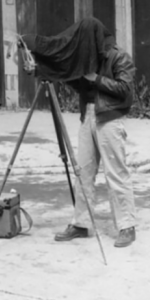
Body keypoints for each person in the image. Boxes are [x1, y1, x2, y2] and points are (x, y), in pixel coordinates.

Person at [24, 19, 138, 248]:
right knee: (83, 173)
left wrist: (97, 80)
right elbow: (72, 77)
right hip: (88, 116)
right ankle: (81, 223)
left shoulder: (118, 57)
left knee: (116, 173)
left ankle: (127, 226)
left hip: (110, 119)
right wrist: (40, 69)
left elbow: (126, 91)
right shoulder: (87, 58)